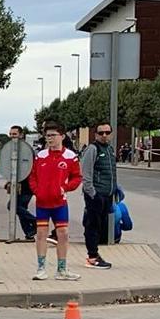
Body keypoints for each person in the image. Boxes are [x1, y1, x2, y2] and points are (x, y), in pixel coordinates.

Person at [28, 125, 81, 283]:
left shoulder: (70, 156)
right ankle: (41, 268)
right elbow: (32, 177)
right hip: (42, 203)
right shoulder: (41, 156)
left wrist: (65, 188)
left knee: (63, 233)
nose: (50, 138)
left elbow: (77, 177)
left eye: (53, 135)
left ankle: (62, 269)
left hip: (60, 203)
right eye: (47, 136)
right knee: (41, 234)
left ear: (62, 136)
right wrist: (38, 191)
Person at [79, 121, 117, 270]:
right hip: (96, 195)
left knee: (100, 226)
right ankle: (92, 257)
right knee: (92, 226)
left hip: (107, 195)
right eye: (101, 133)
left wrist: (114, 191)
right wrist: (93, 193)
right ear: (95, 135)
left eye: (107, 132)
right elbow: (86, 173)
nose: (104, 135)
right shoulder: (92, 149)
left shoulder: (110, 150)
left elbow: (112, 173)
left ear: (111, 134)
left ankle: (95, 254)